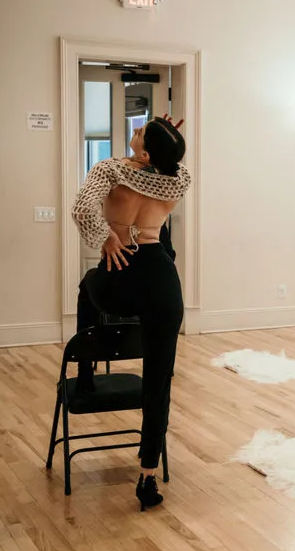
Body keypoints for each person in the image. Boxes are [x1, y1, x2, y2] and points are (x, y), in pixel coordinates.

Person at [72, 114, 190, 511]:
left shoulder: (111, 169)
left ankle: (86, 369)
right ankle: (148, 475)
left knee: (87, 286)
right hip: (160, 277)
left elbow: (81, 207)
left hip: (119, 269)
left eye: (139, 131)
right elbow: (167, 165)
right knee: (159, 380)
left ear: (145, 148)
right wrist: (157, 146)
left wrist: (107, 237)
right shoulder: (178, 179)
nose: (134, 131)